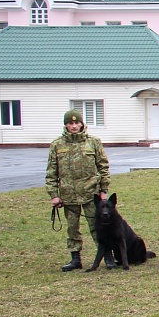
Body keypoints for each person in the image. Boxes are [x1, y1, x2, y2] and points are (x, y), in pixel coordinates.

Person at [46, 109, 111, 271]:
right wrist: (54, 195)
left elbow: (103, 167)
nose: (74, 126)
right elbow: (51, 172)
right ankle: (75, 258)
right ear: (66, 125)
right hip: (69, 194)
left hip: (91, 193)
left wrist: (104, 190)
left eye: (77, 123)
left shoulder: (93, 142)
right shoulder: (57, 145)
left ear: (82, 124)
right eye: (70, 123)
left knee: (98, 226)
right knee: (72, 228)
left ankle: (107, 256)